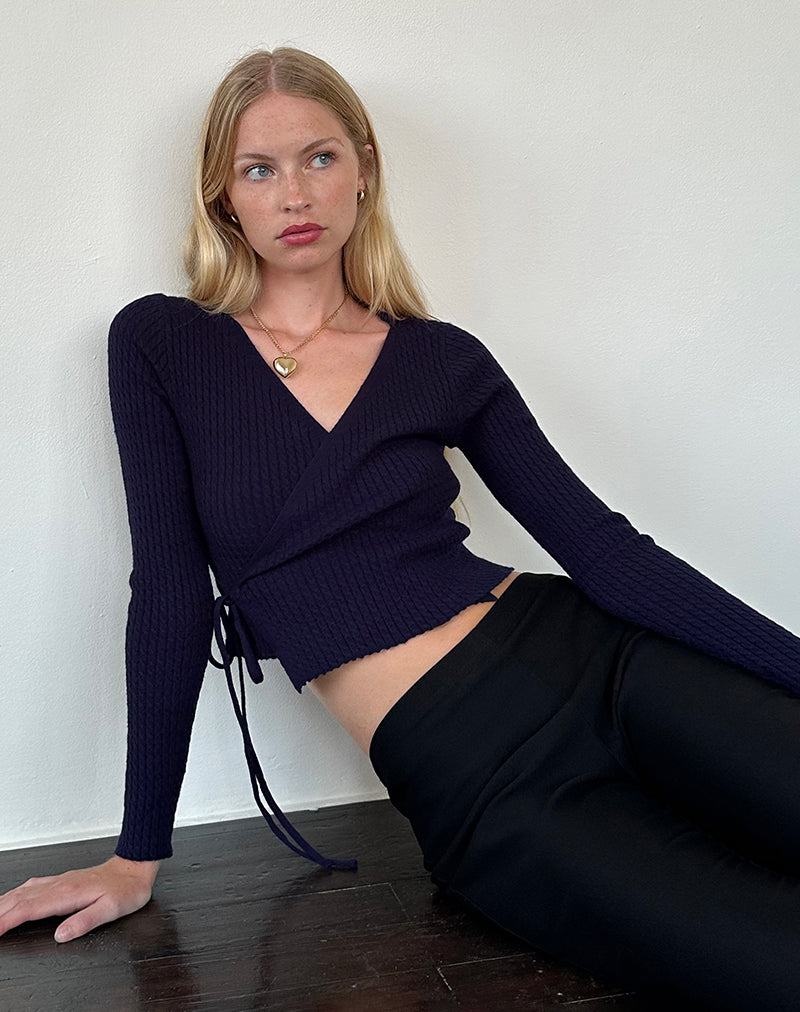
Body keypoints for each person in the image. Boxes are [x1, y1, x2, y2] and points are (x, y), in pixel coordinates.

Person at [3, 45, 799, 1010]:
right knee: (769, 961)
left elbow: (606, 551)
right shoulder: (163, 342)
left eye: (320, 157)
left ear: (364, 169)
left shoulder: (440, 358)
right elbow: (170, 591)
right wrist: (138, 854)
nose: (296, 193)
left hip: (600, 660)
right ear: (223, 198)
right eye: (259, 169)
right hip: (475, 774)